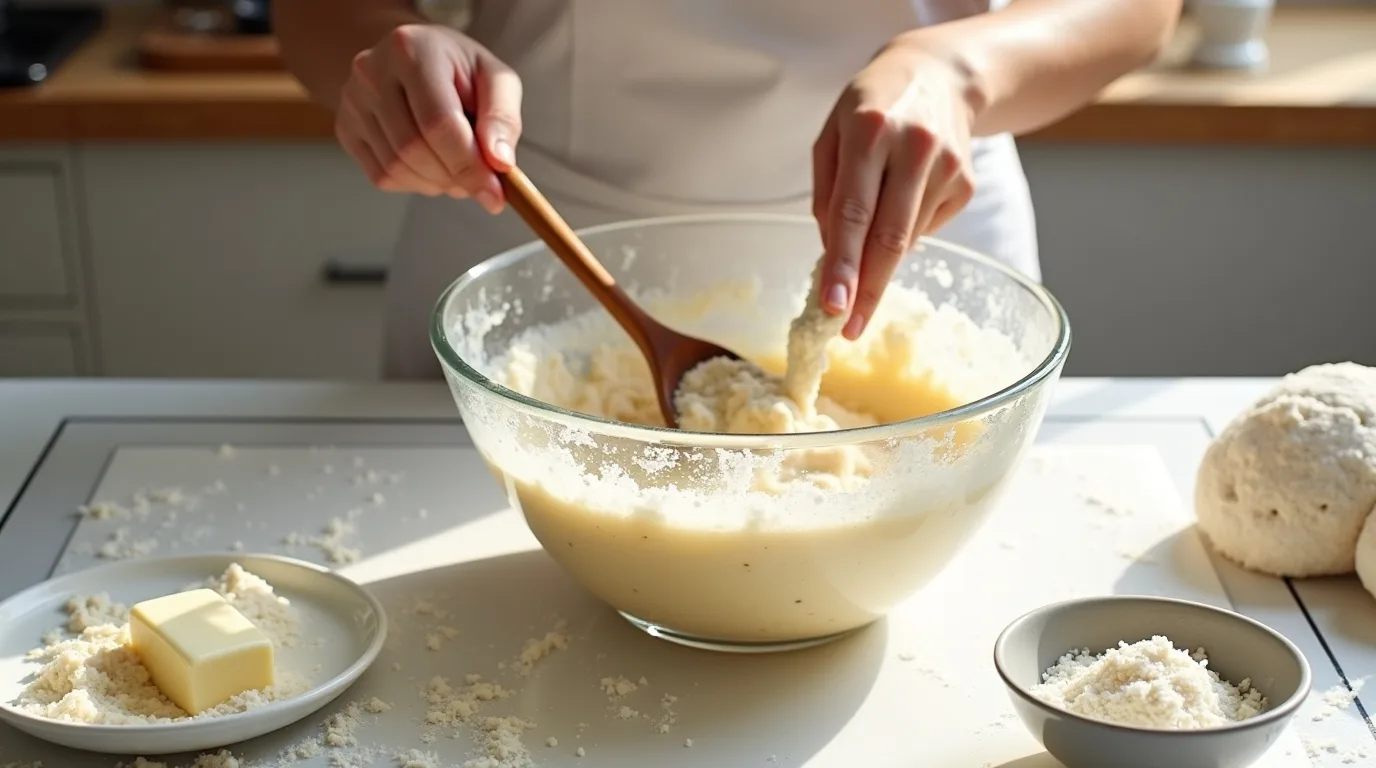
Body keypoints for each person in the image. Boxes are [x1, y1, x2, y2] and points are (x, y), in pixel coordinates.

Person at [276, 0, 1180, 380]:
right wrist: (394, 63)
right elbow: (316, 13)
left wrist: (960, 70)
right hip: (527, 235)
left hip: (917, 229)